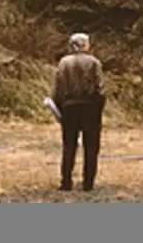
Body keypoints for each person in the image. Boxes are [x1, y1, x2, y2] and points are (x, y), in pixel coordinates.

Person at [52, 32, 106, 191]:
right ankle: (88, 182)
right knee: (91, 147)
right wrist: (98, 107)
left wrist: (60, 107)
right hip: (90, 108)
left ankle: (66, 181)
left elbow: (58, 88)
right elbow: (101, 88)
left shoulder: (64, 63)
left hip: (69, 108)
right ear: (85, 45)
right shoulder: (94, 62)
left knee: (69, 145)